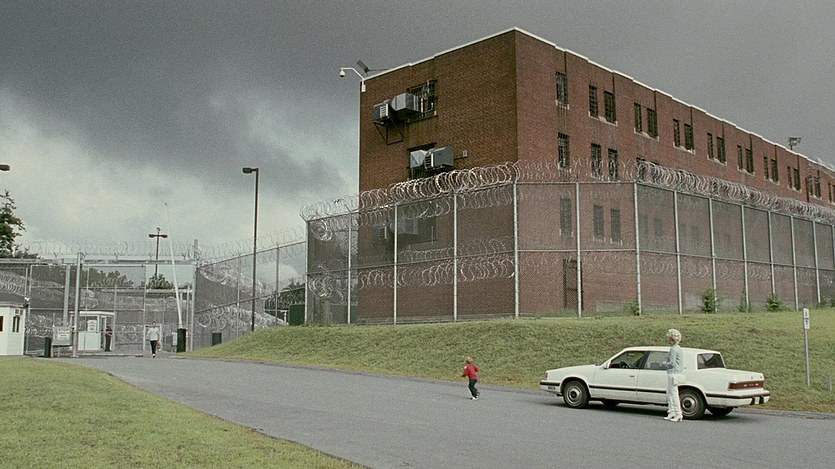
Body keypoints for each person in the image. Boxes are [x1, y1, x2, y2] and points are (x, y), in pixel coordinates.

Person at [661, 328, 684, 421]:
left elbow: (672, 363)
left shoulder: (673, 349)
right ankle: (672, 411)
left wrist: (664, 364)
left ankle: (678, 413)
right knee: (670, 392)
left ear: (671, 338)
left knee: (673, 393)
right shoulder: (678, 348)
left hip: (673, 373)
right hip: (677, 372)